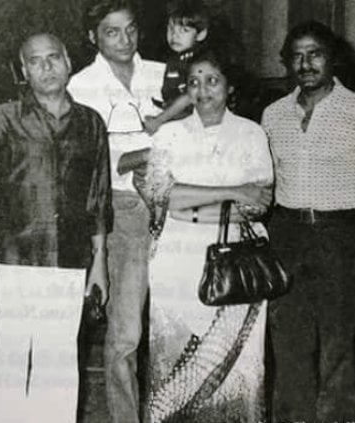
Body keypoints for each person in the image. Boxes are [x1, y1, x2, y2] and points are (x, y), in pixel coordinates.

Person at [0, 33, 112, 423]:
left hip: (68, 262)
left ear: (68, 63)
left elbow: (98, 200)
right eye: (36, 61)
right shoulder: (3, 118)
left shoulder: (90, 123)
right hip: (14, 261)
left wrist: (99, 263)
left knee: (60, 366)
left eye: (54, 57)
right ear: (24, 71)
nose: (46, 66)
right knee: (11, 363)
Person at [260, 20, 355, 423]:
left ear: (332, 58)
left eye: (315, 53)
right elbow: (268, 176)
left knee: (337, 345)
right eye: (297, 55)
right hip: (286, 233)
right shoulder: (273, 114)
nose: (306, 62)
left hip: (341, 234)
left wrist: (354, 231)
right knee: (288, 341)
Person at [141, 47, 273, 422]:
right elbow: (163, 197)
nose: (202, 90)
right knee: (174, 357)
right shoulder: (170, 134)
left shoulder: (251, 133)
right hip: (176, 256)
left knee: (238, 366)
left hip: (237, 260)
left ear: (230, 87)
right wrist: (231, 191)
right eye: (193, 83)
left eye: (212, 80)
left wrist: (192, 196)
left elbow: (259, 204)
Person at [67, 2, 164, 421]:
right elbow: (84, 164)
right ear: (93, 37)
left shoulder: (164, 75)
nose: (124, 41)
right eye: (112, 32)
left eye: (130, 30)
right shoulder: (78, 87)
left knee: (174, 324)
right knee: (126, 332)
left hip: (176, 207)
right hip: (123, 212)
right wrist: (141, 153)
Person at [142, 0, 210, 134]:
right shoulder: (174, 58)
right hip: (176, 116)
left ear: (201, 34)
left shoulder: (201, 60)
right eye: (171, 29)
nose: (175, 35)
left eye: (184, 30)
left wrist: (159, 120)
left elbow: (189, 96)